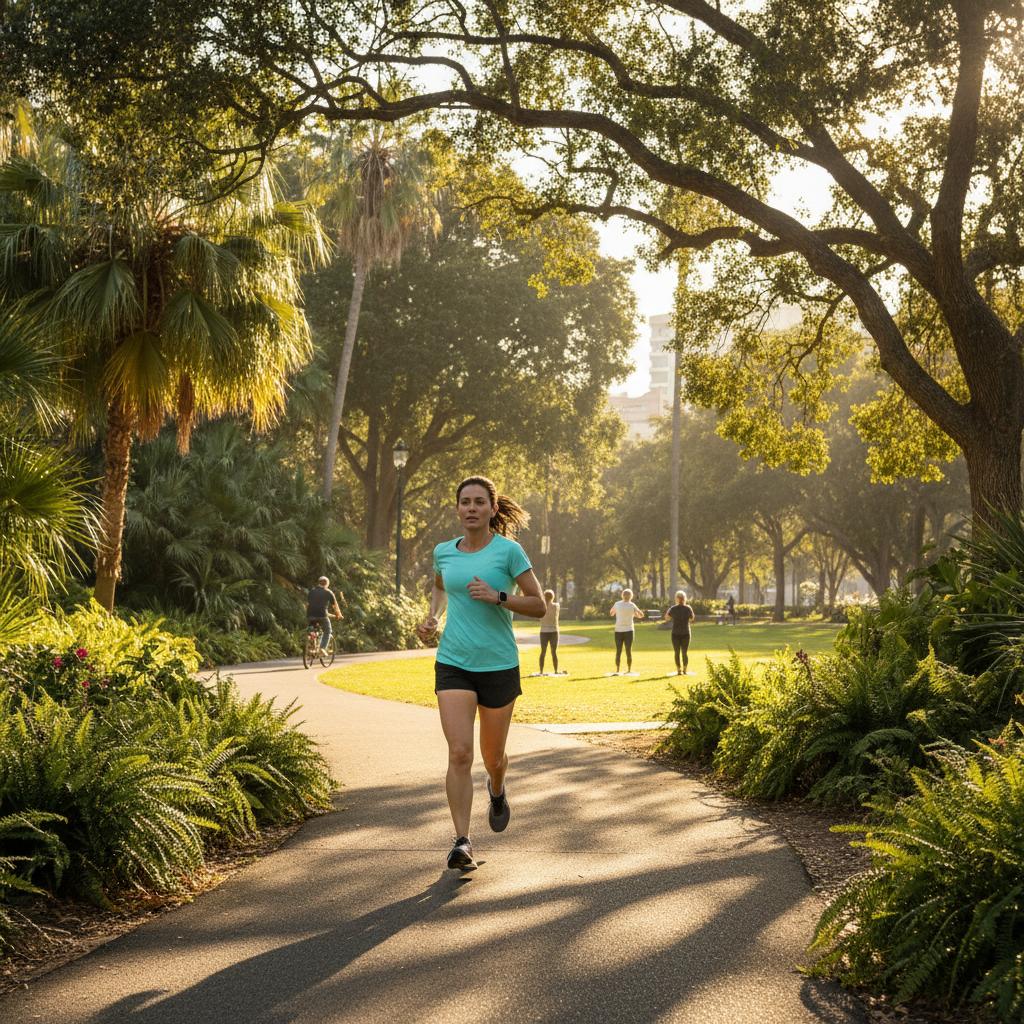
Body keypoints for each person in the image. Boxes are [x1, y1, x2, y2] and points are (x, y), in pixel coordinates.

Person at [417, 475, 546, 873]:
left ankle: (497, 787)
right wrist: (431, 618)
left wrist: (499, 598)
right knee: (459, 752)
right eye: (464, 502)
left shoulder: (509, 552)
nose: (471, 507)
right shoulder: (443, 552)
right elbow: (441, 589)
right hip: (454, 661)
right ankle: (462, 840)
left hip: (498, 665)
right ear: (457, 509)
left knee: (492, 757)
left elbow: (539, 605)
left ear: (492, 508)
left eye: (478, 502)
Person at [609, 588, 644, 674]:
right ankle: (629, 670)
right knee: (628, 650)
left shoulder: (617, 604)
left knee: (618, 650)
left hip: (618, 630)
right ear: (631, 596)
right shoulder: (632, 605)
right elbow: (641, 615)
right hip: (629, 630)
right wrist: (634, 614)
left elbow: (611, 613)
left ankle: (617, 669)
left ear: (622, 595)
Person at [306, 576, 343, 650]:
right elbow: (335, 606)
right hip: (322, 615)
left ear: (318, 583)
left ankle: (311, 643)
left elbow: (307, 605)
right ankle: (322, 649)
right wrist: (339, 615)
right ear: (327, 584)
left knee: (312, 629)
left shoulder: (312, 591)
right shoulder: (328, 592)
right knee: (328, 631)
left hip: (310, 615)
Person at [663, 590, 696, 675]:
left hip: (675, 633)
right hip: (686, 632)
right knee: (684, 652)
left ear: (676, 599)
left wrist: (669, 612)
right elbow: (692, 619)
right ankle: (685, 669)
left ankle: (678, 670)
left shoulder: (673, 608)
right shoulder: (688, 608)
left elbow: (667, 618)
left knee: (677, 652)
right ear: (685, 598)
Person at [538, 589, 560, 674]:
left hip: (543, 631)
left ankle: (541, 671)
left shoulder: (541, 607)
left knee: (543, 652)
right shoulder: (556, 606)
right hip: (554, 631)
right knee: (554, 652)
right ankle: (556, 671)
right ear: (552, 597)